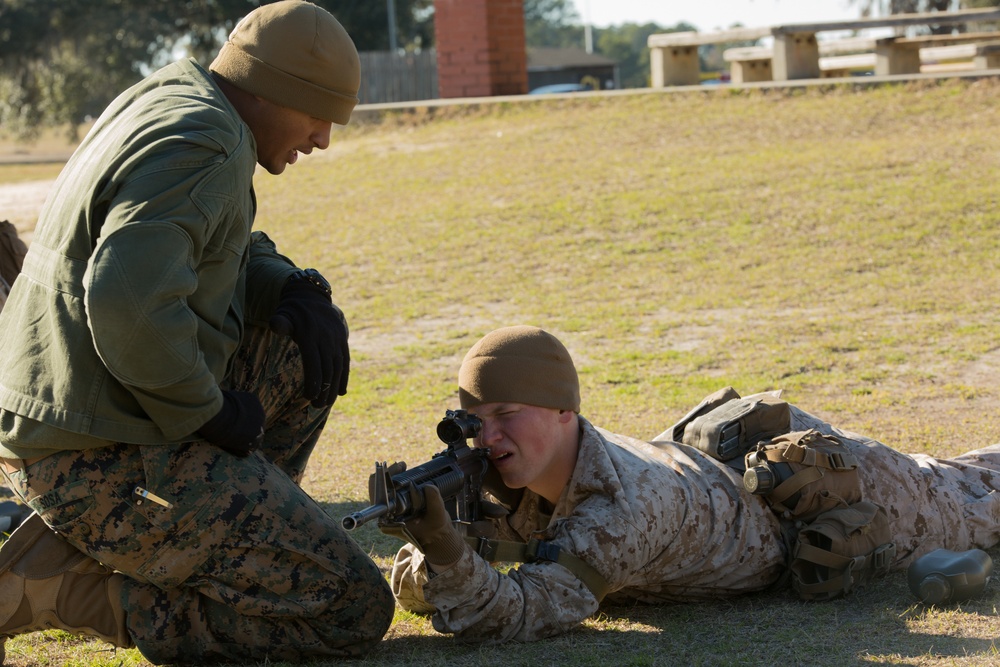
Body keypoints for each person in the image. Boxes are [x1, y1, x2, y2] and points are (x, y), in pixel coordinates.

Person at [0, 1, 393, 664]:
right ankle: (69, 590)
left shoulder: (177, 101)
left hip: (73, 417)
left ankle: (211, 541)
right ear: (275, 91)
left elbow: (203, 238)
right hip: (92, 447)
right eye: (318, 113)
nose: (323, 138)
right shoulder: (205, 140)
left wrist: (289, 284)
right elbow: (126, 298)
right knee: (350, 608)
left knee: (303, 342)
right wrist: (205, 410)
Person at [388, 325, 1000, 642]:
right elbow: (416, 593)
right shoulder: (513, 477)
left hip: (831, 496)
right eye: (475, 421)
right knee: (966, 472)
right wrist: (444, 536)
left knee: (977, 498)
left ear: (562, 412)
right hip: (734, 477)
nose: (487, 438)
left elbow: (518, 617)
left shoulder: (622, 507)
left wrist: (446, 549)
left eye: (505, 415)